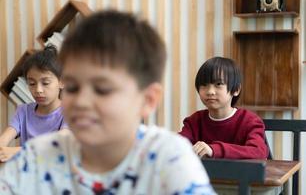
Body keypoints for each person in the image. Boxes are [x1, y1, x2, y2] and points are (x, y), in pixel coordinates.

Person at [0, 11, 215, 195]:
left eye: (102, 89)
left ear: (147, 100)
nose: (81, 102)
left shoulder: (168, 158)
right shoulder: (37, 156)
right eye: (73, 87)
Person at [179, 57, 268, 159]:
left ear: (236, 90)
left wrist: (214, 150)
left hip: (239, 175)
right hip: (203, 175)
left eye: (218, 84)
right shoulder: (194, 121)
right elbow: (178, 144)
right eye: (204, 85)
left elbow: (258, 152)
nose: (210, 92)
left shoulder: (250, 121)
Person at [0, 46, 66, 162]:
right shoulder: (23, 111)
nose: (38, 90)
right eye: (32, 83)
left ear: (62, 82)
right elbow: (4, 139)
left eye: (45, 83)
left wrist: (18, 151)